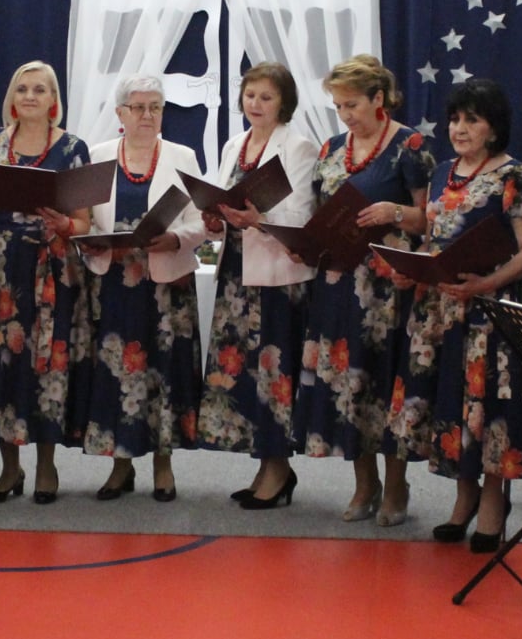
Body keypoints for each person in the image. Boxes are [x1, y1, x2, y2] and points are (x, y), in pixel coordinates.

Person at [387, 78, 522, 551]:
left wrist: (485, 285)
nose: (459, 128)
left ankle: (493, 503)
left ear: (493, 128)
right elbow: (434, 239)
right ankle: (464, 497)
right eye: (455, 119)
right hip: (437, 310)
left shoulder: (514, 175)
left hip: (486, 314)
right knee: (452, 405)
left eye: (471, 120)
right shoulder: (442, 173)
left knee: (486, 407)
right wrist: (412, 269)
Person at [294, 56, 433, 526]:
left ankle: (395, 486)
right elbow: (319, 209)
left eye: (352, 104)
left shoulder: (410, 146)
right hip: (339, 283)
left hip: (388, 288)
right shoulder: (332, 148)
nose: (345, 114)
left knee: (386, 382)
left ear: (379, 99)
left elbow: (432, 219)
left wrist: (395, 212)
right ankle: (364, 483)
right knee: (350, 384)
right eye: (338, 106)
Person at [71, 75, 207, 501]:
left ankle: (163, 466)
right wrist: (89, 240)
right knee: (116, 373)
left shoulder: (183, 156)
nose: (147, 115)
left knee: (165, 373)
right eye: (138, 107)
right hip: (113, 284)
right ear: (120, 113)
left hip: (166, 284)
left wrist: (177, 238)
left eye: (155, 107)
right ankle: (120, 466)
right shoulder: (97, 155)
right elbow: (84, 220)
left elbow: (202, 220)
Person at [197, 63, 320, 510]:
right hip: (236, 272)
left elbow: (303, 216)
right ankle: (266, 465)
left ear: (284, 102)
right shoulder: (235, 144)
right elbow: (220, 200)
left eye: (266, 97)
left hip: (276, 276)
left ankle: (278, 467)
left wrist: (259, 219)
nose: (256, 104)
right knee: (245, 372)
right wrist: (214, 219)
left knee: (273, 372)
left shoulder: (300, 147)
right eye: (250, 95)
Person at [0, 60, 90, 504]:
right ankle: (9, 469)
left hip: (49, 272)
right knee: (2, 367)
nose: (30, 97)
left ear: (54, 99)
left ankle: (45, 466)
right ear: (12, 97)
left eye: (40, 89)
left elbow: (83, 222)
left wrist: (64, 225)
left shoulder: (73, 149)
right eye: (22, 89)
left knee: (46, 368)